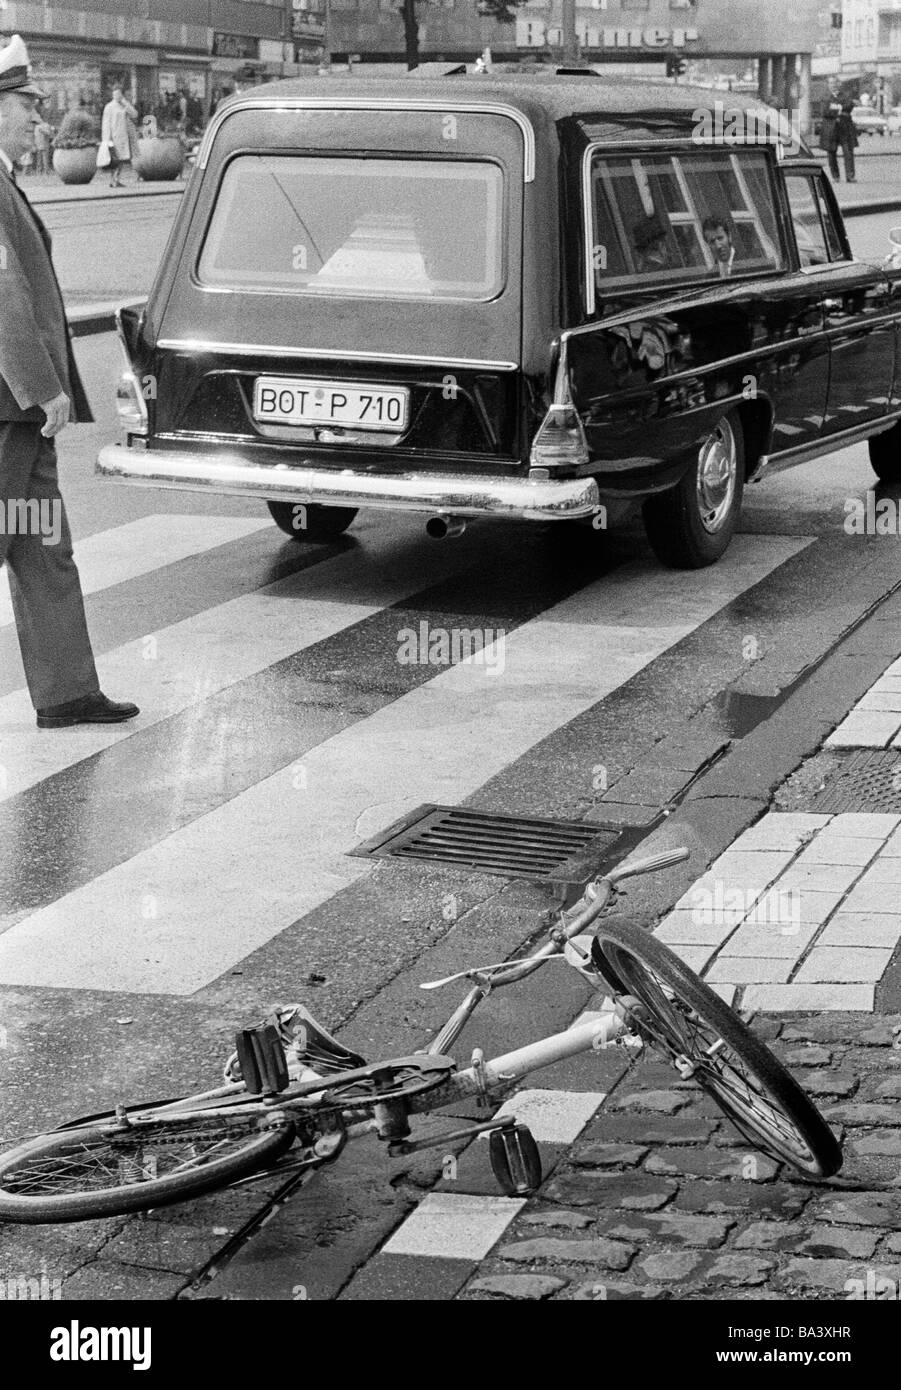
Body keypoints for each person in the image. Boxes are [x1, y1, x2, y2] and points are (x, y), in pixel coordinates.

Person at [0, 35, 139, 729]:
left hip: (22, 417)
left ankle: (66, 692)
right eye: (26, 104)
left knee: (43, 547)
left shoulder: (5, 178)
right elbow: (1, 297)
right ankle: (66, 690)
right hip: (9, 409)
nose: (39, 119)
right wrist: (42, 387)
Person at [100, 84, 138, 188]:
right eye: (115, 94)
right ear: (112, 95)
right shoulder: (109, 107)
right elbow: (106, 123)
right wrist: (106, 139)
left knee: (121, 159)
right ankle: (113, 179)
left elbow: (134, 114)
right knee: (113, 160)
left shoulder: (124, 105)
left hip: (124, 137)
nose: (117, 96)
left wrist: (125, 103)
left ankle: (116, 179)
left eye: (119, 94)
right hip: (113, 137)